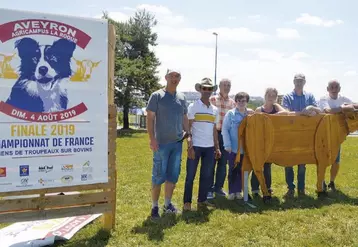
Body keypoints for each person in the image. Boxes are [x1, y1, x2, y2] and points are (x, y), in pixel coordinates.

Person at [146, 69, 190, 219]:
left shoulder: (182, 97)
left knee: (172, 176)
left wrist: (188, 133)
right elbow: (150, 118)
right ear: (166, 78)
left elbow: (184, 116)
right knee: (158, 176)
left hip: (177, 144)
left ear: (180, 79)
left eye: (177, 76)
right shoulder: (156, 96)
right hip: (161, 144)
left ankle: (167, 204)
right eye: (171, 76)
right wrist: (152, 138)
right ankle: (154, 207)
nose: (174, 79)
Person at [183, 78, 221, 211]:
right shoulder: (193, 107)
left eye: (209, 88)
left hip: (210, 148)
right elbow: (188, 128)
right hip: (196, 146)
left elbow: (214, 131)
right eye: (204, 88)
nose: (207, 91)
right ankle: (187, 203)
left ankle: (202, 200)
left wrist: (217, 148)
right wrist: (190, 146)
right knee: (190, 176)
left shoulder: (215, 110)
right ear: (200, 90)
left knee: (206, 176)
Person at [282, 73, 320, 197]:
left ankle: (301, 189)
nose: (299, 83)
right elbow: (286, 113)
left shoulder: (310, 96)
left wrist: (311, 108)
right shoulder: (287, 96)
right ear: (293, 81)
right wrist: (302, 113)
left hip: (305, 135)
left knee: (302, 163)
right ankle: (291, 188)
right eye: (297, 81)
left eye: (301, 81)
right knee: (288, 163)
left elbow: (318, 110)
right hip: (290, 134)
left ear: (304, 82)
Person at [251, 88, 287, 197]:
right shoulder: (259, 109)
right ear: (265, 96)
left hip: (271, 142)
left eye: (273, 96)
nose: (270, 97)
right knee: (257, 166)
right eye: (269, 95)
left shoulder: (276, 107)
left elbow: (285, 113)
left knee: (267, 166)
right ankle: (255, 189)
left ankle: (267, 187)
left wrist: (269, 117)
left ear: (275, 98)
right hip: (259, 141)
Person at [318, 79, 353, 191]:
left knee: (336, 161)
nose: (334, 89)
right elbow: (328, 110)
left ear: (339, 89)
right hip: (324, 134)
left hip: (338, 136)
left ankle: (331, 182)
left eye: (336, 87)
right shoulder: (324, 99)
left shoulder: (343, 99)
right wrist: (343, 109)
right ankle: (321, 181)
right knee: (323, 159)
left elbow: (354, 105)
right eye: (331, 87)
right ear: (328, 89)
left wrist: (351, 106)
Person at [222, 92, 253, 200]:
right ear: (235, 102)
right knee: (232, 170)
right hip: (233, 149)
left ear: (247, 102)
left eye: (243, 101)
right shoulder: (230, 114)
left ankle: (239, 191)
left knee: (242, 170)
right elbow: (225, 129)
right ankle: (231, 191)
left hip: (246, 149)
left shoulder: (250, 115)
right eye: (239, 101)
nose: (241, 103)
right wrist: (227, 145)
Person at [208, 79, 235, 198]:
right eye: (224, 85)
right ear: (219, 86)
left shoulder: (233, 103)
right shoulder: (212, 100)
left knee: (223, 163)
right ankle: (208, 188)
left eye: (228, 85)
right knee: (211, 162)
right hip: (214, 133)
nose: (226, 87)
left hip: (226, 136)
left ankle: (218, 188)